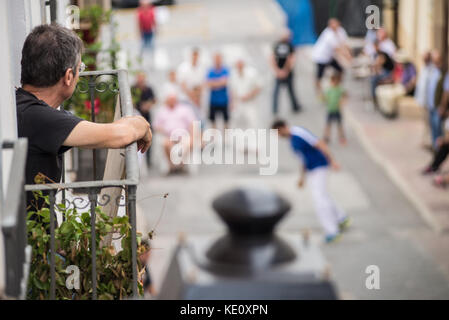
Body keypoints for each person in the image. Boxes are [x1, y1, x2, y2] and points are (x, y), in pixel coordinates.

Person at [17, 24, 152, 212]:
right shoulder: (41, 118)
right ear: (69, 76)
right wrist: (143, 124)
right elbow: (119, 135)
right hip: (35, 239)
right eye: (80, 68)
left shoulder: (21, 105)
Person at [272, 120, 350, 243]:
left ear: (282, 128)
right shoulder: (292, 141)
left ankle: (332, 231)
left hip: (319, 166)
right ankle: (341, 218)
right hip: (312, 170)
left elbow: (319, 143)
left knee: (319, 199)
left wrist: (332, 161)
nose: (278, 136)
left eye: (277, 133)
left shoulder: (299, 133)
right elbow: (302, 159)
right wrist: (302, 178)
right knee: (323, 195)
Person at [153, 91, 196, 174]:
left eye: (173, 99)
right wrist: (164, 130)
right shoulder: (162, 111)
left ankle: (181, 165)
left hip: (183, 136)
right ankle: (172, 166)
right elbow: (156, 126)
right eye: (170, 99)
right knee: (165, 144)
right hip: (168, 136)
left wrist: (192, 134)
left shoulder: (185, 109)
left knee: (189, 143)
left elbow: (192, 123)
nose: (172, 101)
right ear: (167, 100)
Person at [230, 59, 262, 153]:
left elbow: (258, 87)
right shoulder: (233, 74)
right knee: (240, 125)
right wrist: (232, 102)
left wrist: (249, 95)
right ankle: (243, 145)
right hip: (239, 103)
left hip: (250, 103)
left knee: (252, 124)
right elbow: (232, 90)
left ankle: (255, 146)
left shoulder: (252, 73)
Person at [313, 18, 352, 92]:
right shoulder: (328, 35)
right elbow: (337, 49)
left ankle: (338, 86)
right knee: (319, 76)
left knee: (340, 69)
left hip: (330, 56)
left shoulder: (341, 31)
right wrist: (347, 57)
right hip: (321, 57)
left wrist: (349, 54)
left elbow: (344, 44)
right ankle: (318, 90)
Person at [375, 49, 417, 117]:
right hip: (398, 85)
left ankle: (390, 112)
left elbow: (413, 80)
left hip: (403, 87)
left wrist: (407, 87)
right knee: (380, 90)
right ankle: (384, 109)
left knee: (390, 95)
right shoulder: (402, 66)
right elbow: (396, 77)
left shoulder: (410, 67)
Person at [271, 30, 302, 114]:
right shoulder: (280, 45)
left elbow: (291, 59)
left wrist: (283, 71)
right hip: (282, 72)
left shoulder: (289, 45)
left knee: (290, 91)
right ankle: (275, 108)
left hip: (285, 72)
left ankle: (294, 106)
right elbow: (273, 58)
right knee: (278, 92)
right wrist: (279, 71)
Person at [132, 72, 156, 166]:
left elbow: (154, 100)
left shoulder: (148, 89)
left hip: (146, 116)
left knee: (149, 136)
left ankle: (148, 160)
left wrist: (147, 105)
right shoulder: (133, 89)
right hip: (136, 116)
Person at [322, 72, 347, 145]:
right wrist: (323, 98)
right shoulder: (329, 90)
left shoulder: (340, 89)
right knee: (328, 124)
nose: (335, 82)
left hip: (337, 110)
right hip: (330, 110)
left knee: (339, 124)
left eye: (336, 81)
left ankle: (341, 137)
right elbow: (325, 98)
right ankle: (326, 137)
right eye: (333, 81)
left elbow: (345, 95)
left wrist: (342, 102)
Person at [207, 53, 230, 130]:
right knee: (213, 121)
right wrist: (220, 82)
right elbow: (208, 84)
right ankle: (214, 139)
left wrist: (214, 83)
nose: (217, 61)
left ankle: (226, 139)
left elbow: (225, 82)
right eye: (216, 59)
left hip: (224, 100)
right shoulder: (210, 71)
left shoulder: (225, 70)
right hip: (213, 101)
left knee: (226, 121)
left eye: (219, 59)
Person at [425, 50, 444, 149]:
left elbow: (445, 92)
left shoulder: (443, 72)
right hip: (431, 105)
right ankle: (434, 147)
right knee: (432, 128)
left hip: (438, 106)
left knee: (438, 129)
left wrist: (442, 106)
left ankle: (439, 149)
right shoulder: (432, 71)